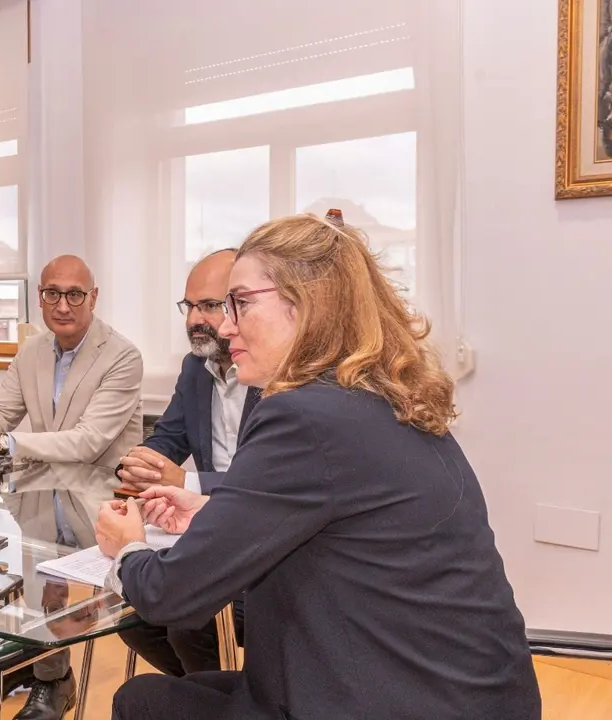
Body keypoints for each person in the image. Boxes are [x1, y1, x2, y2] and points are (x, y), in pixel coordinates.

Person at [95, 214, 540, 720]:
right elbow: (348, 523)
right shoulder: (378, 394)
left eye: (239, 302)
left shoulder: (302, 413)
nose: (223, 325)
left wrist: (125, 549)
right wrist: (212, 511)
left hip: (391, 695)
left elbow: (166, 595)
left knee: (144, 701)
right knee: (178, 691)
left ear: (308, 303)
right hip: (463, 689)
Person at [0, 255, 143, 720]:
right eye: (52, 293)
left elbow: (89, 441)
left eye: (75, 294)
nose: (63, 304)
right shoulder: (32, 351)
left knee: (60, 603)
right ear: (39, 297)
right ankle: (32, 661)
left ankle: (52, 681)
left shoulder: (122, 356)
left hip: (101, 513)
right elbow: (1, 412)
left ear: (93, 298)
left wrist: (4, 439)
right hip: (37, 502)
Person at [114, 248, 260, 676]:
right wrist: (141, 464)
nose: (195, 318)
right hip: (205, 535)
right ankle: (211, 697)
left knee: (188, 623)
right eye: (190, 305)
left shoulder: (274, 373)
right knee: (133, 618)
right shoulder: (196, 368)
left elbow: (266, 484)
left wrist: (189, 480)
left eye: (210, 305)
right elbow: (168, 439)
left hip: (263, 543)